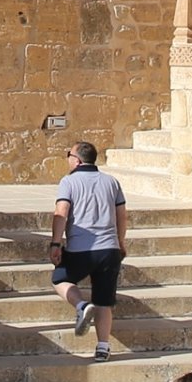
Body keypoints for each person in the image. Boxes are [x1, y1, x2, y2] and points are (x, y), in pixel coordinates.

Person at [50, 141, 130, 360]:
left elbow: (62, 211)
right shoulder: (111, 182)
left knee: (60, 279)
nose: (68, 158)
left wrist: (56, 243)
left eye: (69, 154)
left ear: (77, 159)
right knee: (104, 301)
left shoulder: (69, 181)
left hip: (80, 249)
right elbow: (121, 215)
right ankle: (103, 347)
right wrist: (121, 241)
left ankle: (81, 305)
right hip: (109, 249)